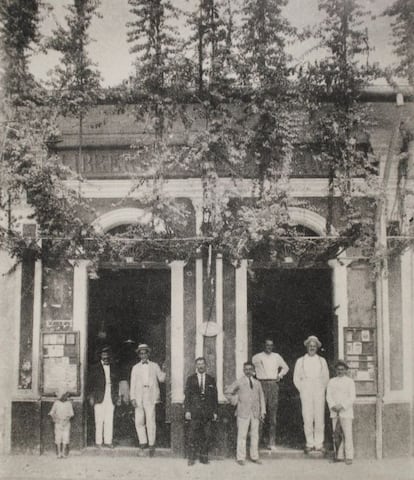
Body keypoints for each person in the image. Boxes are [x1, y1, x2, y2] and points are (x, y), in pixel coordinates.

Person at [293, 335, 330, 454]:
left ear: (317, 348)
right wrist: (302, 389)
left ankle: (319, 443)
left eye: (314, 346)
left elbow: (326, 377)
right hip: (306, 389)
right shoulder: (300, 361)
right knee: (307, 417)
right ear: (307, 347)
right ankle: (309, 443)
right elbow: (296, 378)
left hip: (319, 389)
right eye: (310, 346)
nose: (312, 348)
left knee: (319, 417)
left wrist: (321, 388)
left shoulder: (322, 360)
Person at [225, 361, 266, 466]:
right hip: (243, 411)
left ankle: (254, 456)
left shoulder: (257, 383)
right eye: (246, 369)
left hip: (255, 412)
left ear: (253, 370)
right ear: (243, 370)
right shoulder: (239, 382)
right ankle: (240, 457)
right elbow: (228, 392)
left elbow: (261, 397)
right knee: (242, 435)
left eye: (250, 369)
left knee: (255, 435)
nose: (248, 371)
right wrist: (235, 400)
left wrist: (263, 411)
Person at [252, 338, 289, 450]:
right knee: (260, 413)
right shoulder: (256, 357)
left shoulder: (276, 356)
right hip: (261, 384)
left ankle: (271, 442)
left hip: (273, 384)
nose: (269, 347)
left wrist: (279, 375)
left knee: (272, 414)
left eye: (271, 345)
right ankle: (257, 442)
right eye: (267, 345)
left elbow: (286, 367)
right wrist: (256, 375)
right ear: (263, 345)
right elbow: (250, 369)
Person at [130, 343, 166, 457]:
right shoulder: (135, 368)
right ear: (139, 355)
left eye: (145, 352)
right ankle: (143, 442)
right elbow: (133, 383)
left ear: (148, 354)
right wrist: (133, 398)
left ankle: (151, 444)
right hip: (139, 395)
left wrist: (165, 368)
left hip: (150, 395)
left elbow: (161, 379)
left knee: (150, 420)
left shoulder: (154, 366)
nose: (143, 355)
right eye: (141, 353)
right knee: (139, 421)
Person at [184, 357, 218, 466]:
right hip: (194, 412)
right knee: (192, 436)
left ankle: (204, 458)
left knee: (207, 435)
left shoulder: (211, 379)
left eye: (202, 364)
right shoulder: (190, 379)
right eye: (198, 364)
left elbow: (214, 397)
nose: (200, 366)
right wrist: (187, 411)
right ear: (196, 366)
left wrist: (215, 412)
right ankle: (191, 458)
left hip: (207, 413)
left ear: (205, 365)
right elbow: (187, 397)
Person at [87, 345, 119, 448]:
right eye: (103, 353)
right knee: (99, 419)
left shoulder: (113, 367)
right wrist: (91, 396)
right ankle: (98, 442)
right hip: (98, 396)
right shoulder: (95, 368)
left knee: (109, 419)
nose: (105, 356)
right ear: (100, 355)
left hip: (110, 395)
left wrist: (118, 397)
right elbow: (90, 384)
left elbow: (116, 383)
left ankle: (108, 441)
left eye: (107, 354)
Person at [326, 360, 356, 465]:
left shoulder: (350, 382)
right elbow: (328, 395)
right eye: (338, 369)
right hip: (334, 412)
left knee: (347, 434)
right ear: (335, 370)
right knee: (336, 434)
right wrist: (333, 406)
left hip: (346, 412)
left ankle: (349, 456)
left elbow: (352, 397)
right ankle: (338, 456)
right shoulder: (331, 381)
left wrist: (342, 406)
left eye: (342, 369)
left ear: (346, 370)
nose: (340, 371)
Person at [49, 387, 74, 458]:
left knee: (65, 438)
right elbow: (52, 413)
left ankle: (63, 452)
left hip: (66, 423)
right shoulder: (56, 403)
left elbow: (71, 414)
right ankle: (59, 453)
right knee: (58, 438)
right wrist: (55, 419)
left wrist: (66, 420)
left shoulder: (69, 403)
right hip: (58, 423)